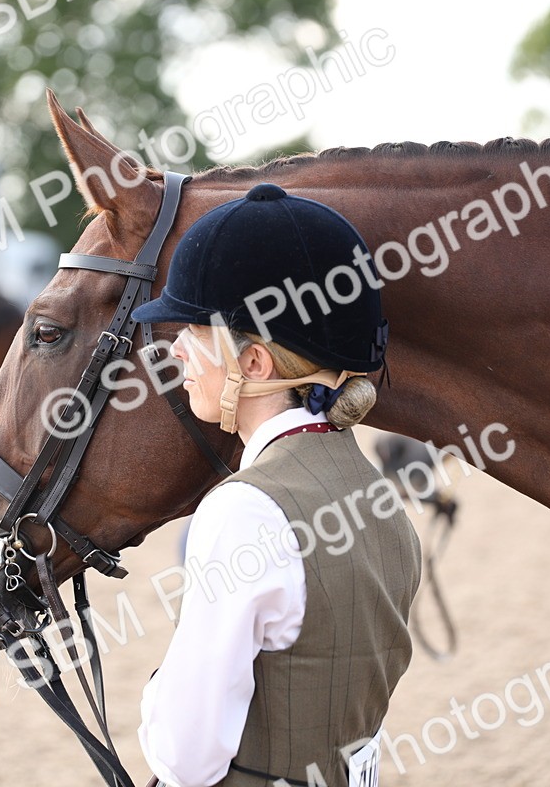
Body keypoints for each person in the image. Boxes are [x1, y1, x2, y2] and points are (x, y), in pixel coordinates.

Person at [132, 183, 423, 787]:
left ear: (254, 364)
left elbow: (188, 756)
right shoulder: (382, 499)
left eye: (193, 334)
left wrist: (158, 695)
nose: (176, 352)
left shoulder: (244, 510)